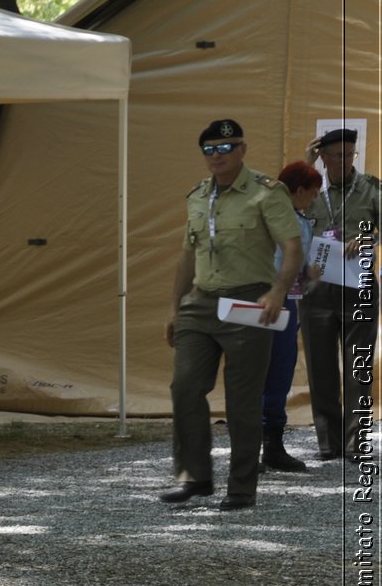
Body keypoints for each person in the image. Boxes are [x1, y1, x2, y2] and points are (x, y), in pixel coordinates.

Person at [162, 118, 303, 510]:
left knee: (242, 400)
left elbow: (292, 246)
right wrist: (175, 307)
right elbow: (187, 254)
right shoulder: (197, 196)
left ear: (242, 149)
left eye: (225, 148)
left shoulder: (266, 193)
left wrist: (277, 293)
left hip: (249, 303)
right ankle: (195, 477)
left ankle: (241, 489)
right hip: (202, 301)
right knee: (185, 388)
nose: (217, 156)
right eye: (209, 150)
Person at [301, 127, 381, 462]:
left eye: (350, 154)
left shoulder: (371, 188)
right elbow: (284, 214)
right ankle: (328, 441)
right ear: (323, 157)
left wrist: (370, 238)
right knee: (319, 367)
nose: (345, 161)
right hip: (317, 286)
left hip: (358, 283)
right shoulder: (310, 190)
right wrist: (305, 167)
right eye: (338, 155)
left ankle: (355, 441)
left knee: (357, 365)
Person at [260, 161, 323, 473]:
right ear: (298, 191)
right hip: (271, 300)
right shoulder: (279, 215)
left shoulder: (295, 216)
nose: (312, 200)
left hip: (285, 300)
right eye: (311, 194)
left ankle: (267, 444)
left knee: (276, 372)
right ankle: (262, 445)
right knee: (264, 372)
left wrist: (310, 277)